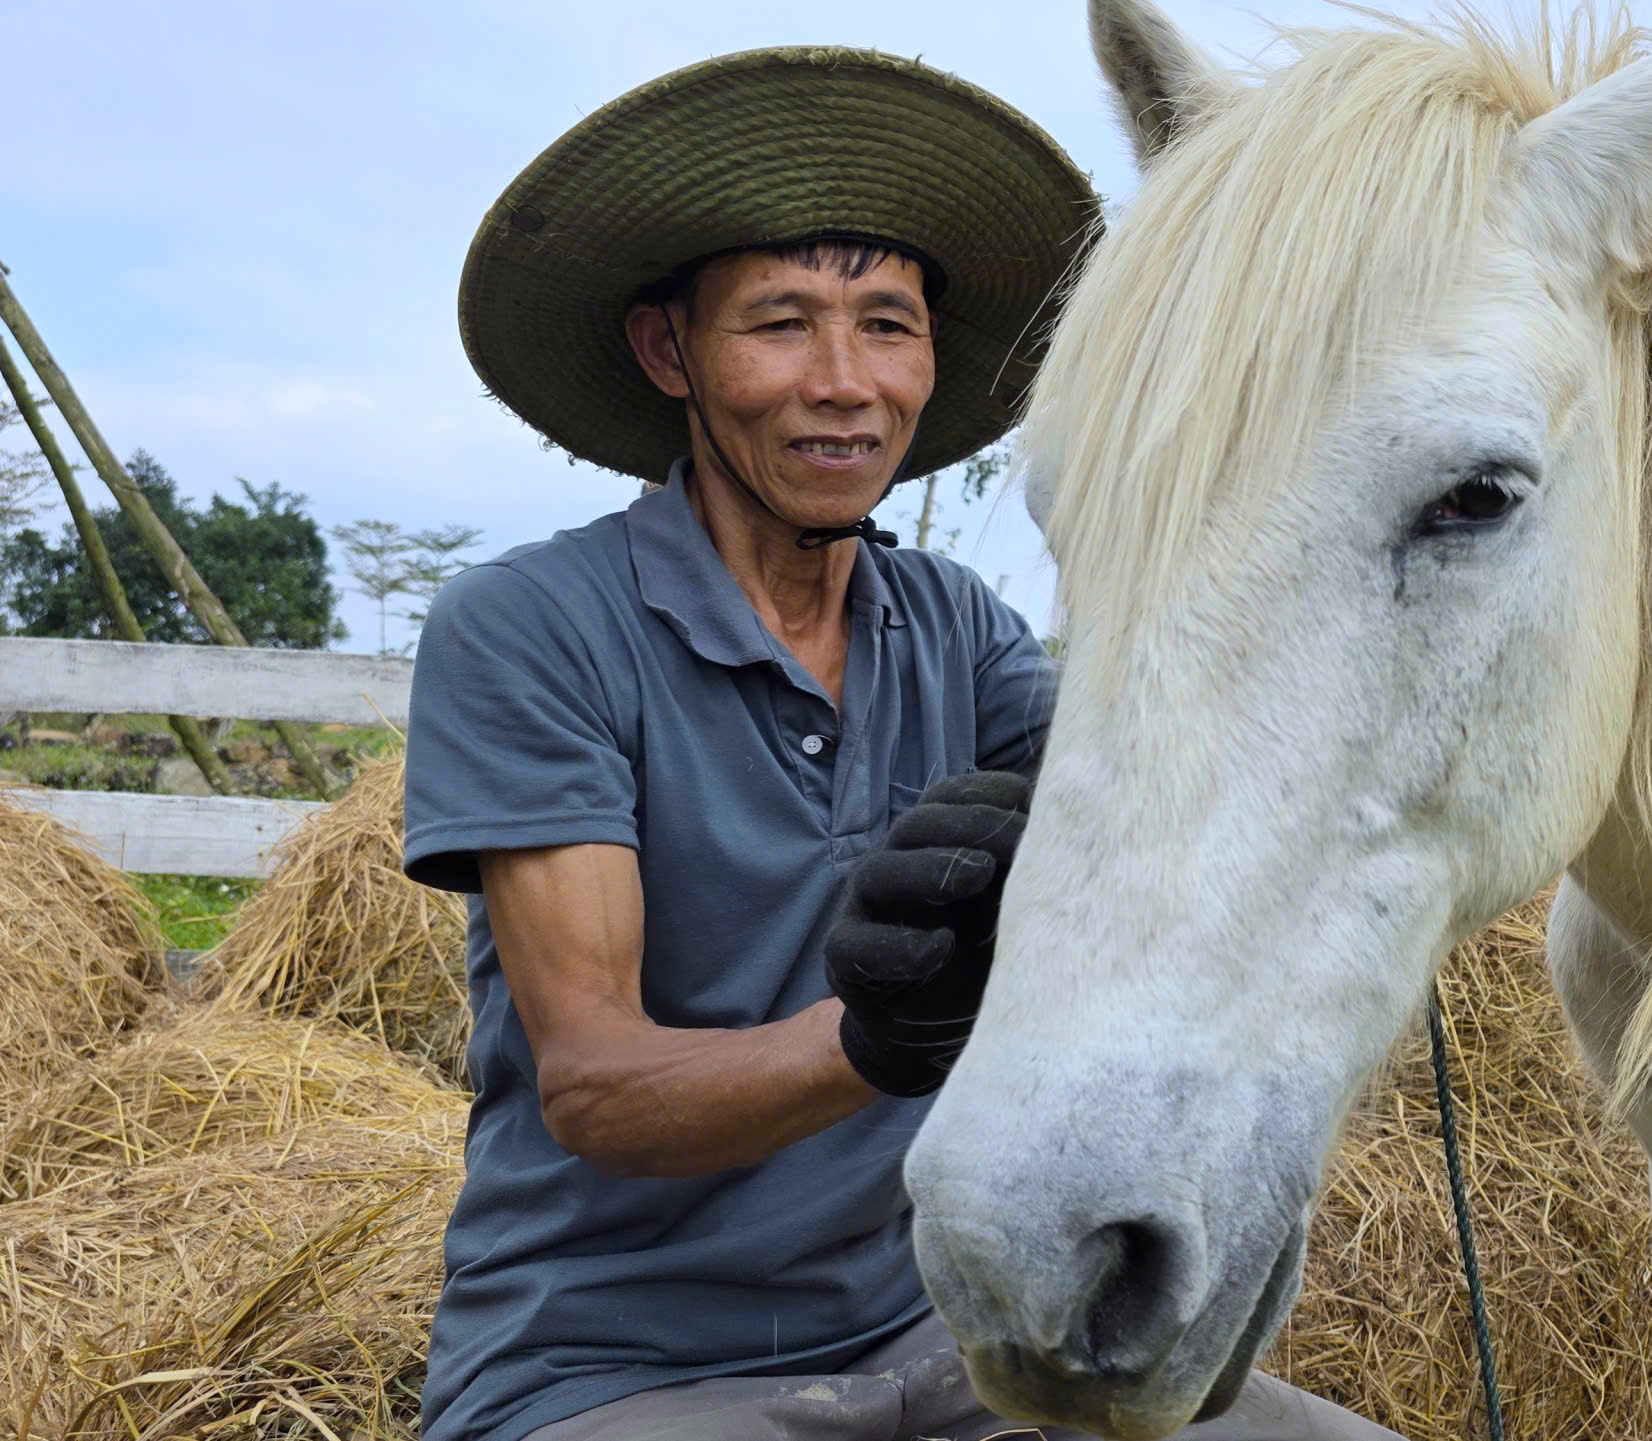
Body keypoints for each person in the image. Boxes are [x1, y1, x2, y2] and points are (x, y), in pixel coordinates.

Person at [404, 46, 1404, 1441]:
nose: (844, 382)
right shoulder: (532, 626)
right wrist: (878, 1038)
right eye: (780, 322)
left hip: (954, 1347)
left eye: (886, 322)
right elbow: (597, 1085)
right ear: (665, 350)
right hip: (617, 1369)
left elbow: (1148, 823)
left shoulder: (960, 627)